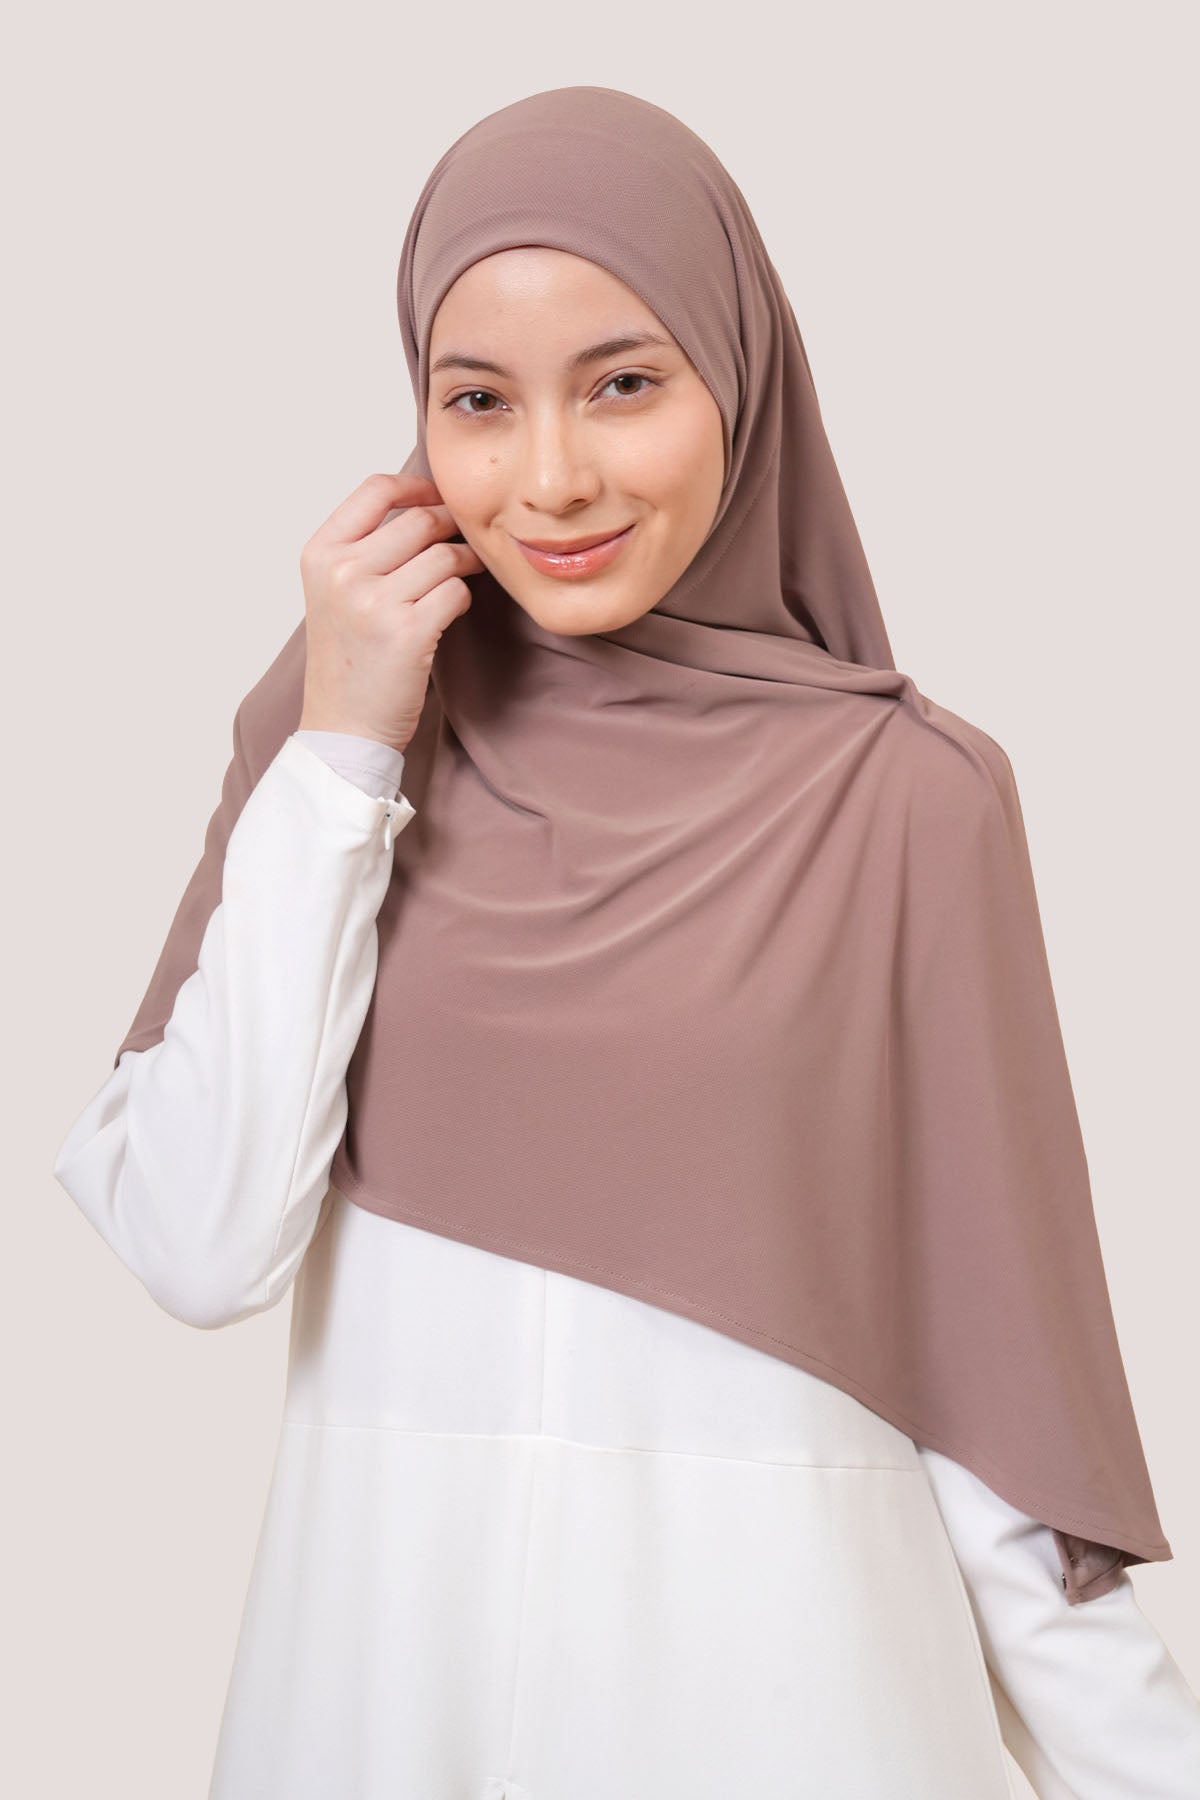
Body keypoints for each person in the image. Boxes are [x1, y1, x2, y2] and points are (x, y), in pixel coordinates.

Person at [53, 86, 1200, 1798]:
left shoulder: (909, 801)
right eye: (478, 402)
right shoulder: (342, 734)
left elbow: (1003, 1408)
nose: (552, 478)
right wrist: (349, 745)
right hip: (384, 1713)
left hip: (788, 1725)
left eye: (624, 383)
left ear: (740, 375)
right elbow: (196, 1245)